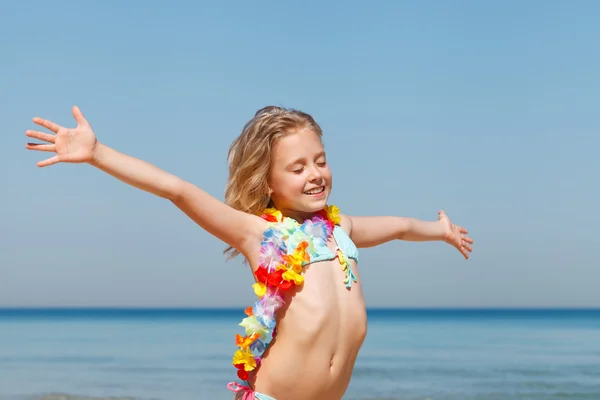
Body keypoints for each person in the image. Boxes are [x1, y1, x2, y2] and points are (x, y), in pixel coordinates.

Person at [25, 105, 473, 400]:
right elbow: (177, 191)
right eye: (297, 167)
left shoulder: (341, 229)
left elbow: (397, 228)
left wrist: (440, 230)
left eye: (320, 160)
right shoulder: (258, 235)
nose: (315, 174)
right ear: (267, 182)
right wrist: (98, 152)